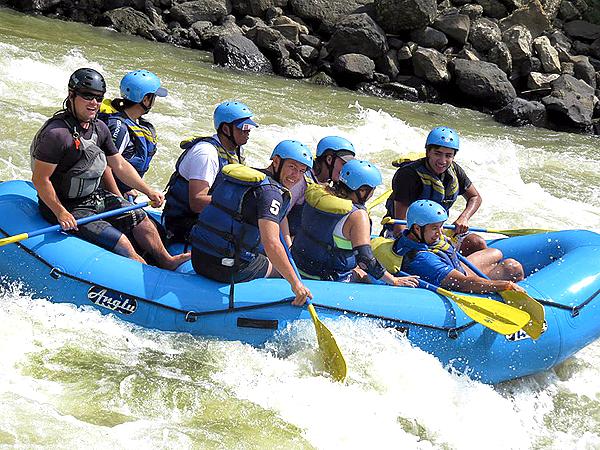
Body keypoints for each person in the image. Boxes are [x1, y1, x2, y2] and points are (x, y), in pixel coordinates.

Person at [30, 67, 189, 270]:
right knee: (123, 242)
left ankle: (166, 260)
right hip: (66, 205)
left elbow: (120, 165)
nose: (94, 103)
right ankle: (144, 276)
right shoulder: (57, 134)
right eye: (87, 96)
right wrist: (60, 212)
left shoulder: (100, 128)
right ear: (72, 95)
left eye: (98, 98)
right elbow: (40, 179)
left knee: (142, 220)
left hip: (94, 196)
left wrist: (148, 191)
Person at [189, 140, 314, 305]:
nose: (295, 176)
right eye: (292, 167)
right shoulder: (271, 193)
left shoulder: (250, 178)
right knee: (281, 269)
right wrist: (296, 283)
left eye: (301, 171)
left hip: (198, 257)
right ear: (276, 161)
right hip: (225, 269)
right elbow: (271, 243)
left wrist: (287, 244)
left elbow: (279, 217)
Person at [291, 159, 420, 287]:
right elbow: (365, 260)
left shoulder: (318, 196)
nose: (372, 194)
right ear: (362, 191)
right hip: (329, 279)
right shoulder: (357, 216)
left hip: (298, 267)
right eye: (372, 190)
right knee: (365, 277)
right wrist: (394, 280)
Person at [382, 126, 486, 255]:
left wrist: (463, 218)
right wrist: (432, 245)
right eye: (437, 154)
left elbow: (475, 197)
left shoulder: (455, 171)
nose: (442, 161)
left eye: (448, 155)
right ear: (428, 152)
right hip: (410, 233)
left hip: (437, 230)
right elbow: (400, 227)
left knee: (478, 243)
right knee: (433, 256)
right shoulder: (408, 175)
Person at [163, 101, 257, 241]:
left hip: (210, 218)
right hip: (183, 223)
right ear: (226, 129)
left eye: (250, 127)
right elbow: (197, 202)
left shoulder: (236, 151)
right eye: (243, 127)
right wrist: (239, 202)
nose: (248, 131)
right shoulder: (206, 154)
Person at [385, 200, 525, 294]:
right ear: (416, 228)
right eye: (434, 228)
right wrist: (505, 285)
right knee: (512, 267)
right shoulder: (422, 259)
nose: (440, 233)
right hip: (457, 282)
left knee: (495, 253)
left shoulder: (407, 236)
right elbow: (464, 283)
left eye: (440, 226)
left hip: (453, 269)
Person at [99, 69, 168, 197]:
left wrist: (128, 188)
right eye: (154, 97)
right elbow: (106, 167)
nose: (154, 101)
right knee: (144, 218)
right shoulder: (120, 127)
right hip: (106, 192)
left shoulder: (137, 122)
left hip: (120, 188)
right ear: (146, 99)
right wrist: (119, 198)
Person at [287, 135, 356, 237]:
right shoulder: (302, 180)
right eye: (343, 164)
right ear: (329, 159)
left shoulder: (329, 185)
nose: (346, 170)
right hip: (288, 240)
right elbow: (280, 216)